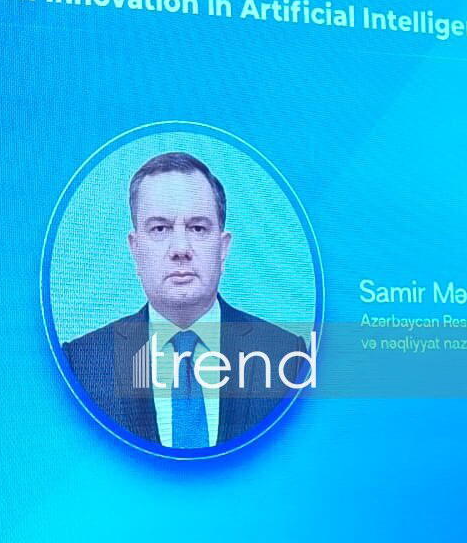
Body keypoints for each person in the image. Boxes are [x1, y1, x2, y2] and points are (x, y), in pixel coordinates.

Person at [62, 152, 308, 449]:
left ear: (223, 247)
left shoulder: (288, 356)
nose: (180, 249)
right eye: (160, 228)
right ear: (135, 249)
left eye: (198, 228)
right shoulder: (82, 362)